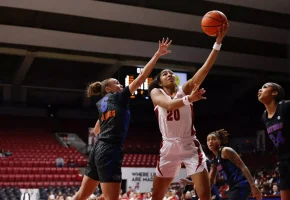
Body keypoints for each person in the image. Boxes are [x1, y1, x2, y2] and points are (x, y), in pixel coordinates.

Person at [72, 38, 172, 200]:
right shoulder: (119, 97)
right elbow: (141, 78)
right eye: (117, 83)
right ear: (108, 88)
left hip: (98, 148)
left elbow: (97, 129)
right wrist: (157, 54)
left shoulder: (101, 103)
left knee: (81, 195)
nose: (120, 85)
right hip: (110, 149)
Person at [148, 24, 228, 200]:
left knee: (204, 195)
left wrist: (218, 43)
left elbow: (205, 69)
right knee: (157, 196)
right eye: (164, 74)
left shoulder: (184, 90)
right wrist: (189, 100)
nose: (169, 75)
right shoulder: (156, 92)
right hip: (168, 146)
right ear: (160, 82)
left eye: (171, 73)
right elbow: (168, 105)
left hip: (189, 144)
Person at [258, 82, 290, 200]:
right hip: (284, 162)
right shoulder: (264, 116)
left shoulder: (287, 106)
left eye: (265, 87)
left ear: (275, 92)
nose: (260, 90)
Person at [206, 129, 262, 200]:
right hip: (232, 187)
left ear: (219, 141)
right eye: (208, 140)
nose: (210, 141)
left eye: (213, 139)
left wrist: (253, 186)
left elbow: (243, 166)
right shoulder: (214, 162)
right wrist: (205, 195)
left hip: (241, 184)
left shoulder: (225, 151)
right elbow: (210, 180)